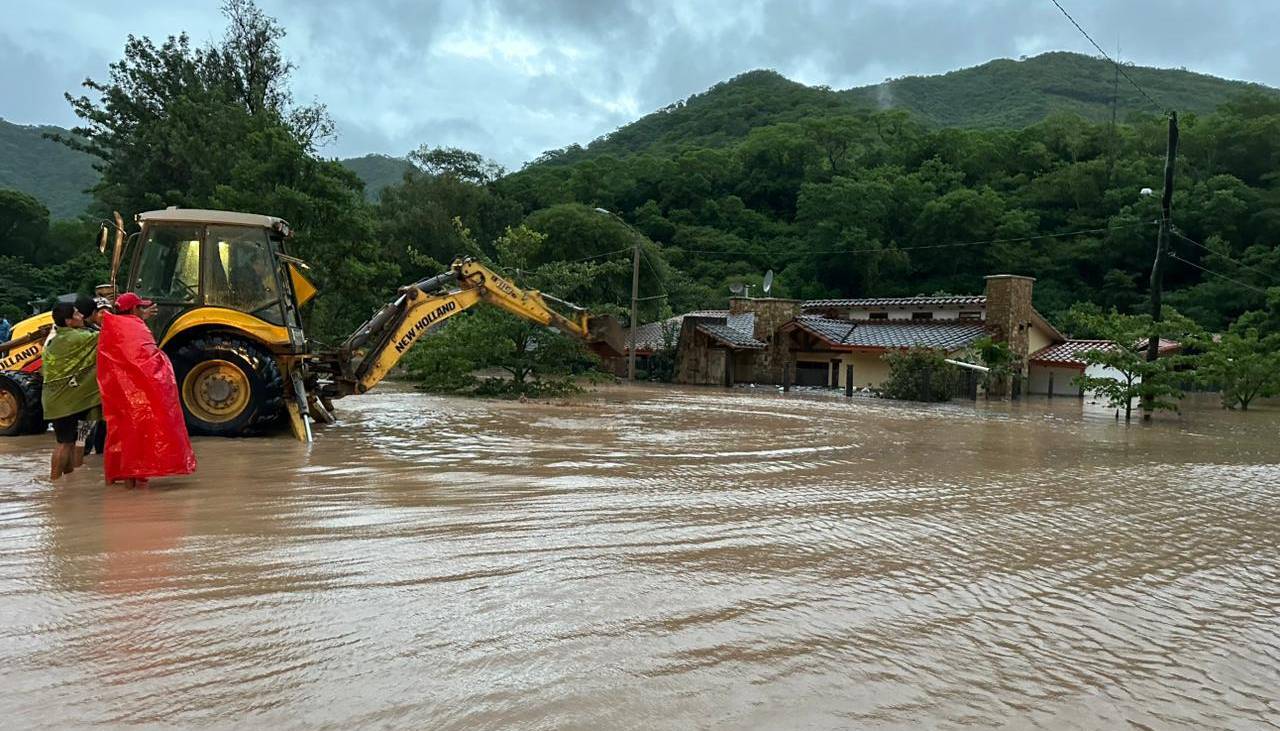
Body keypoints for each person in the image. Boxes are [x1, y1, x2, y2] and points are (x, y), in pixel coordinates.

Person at [97, 293, 196, 488]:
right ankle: (134, 478)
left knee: (120, 431)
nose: (145, 311)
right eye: (141, 308)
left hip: (118, 393)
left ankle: (122, 479)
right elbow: (149, 362)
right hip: (137, 394)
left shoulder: (112, 327)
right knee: (138, 432)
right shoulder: (135, 327)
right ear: (134, 309)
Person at [41, 302, 101, 481]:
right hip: (66, 400)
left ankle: (66, 483)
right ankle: (55, 484)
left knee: (70, 441)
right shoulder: (77, 338)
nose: (81, 316)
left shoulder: (56, 338)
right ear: (68, 321)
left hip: (58, 398)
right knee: (65, 443)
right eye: (76, 314)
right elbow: (107, 335)